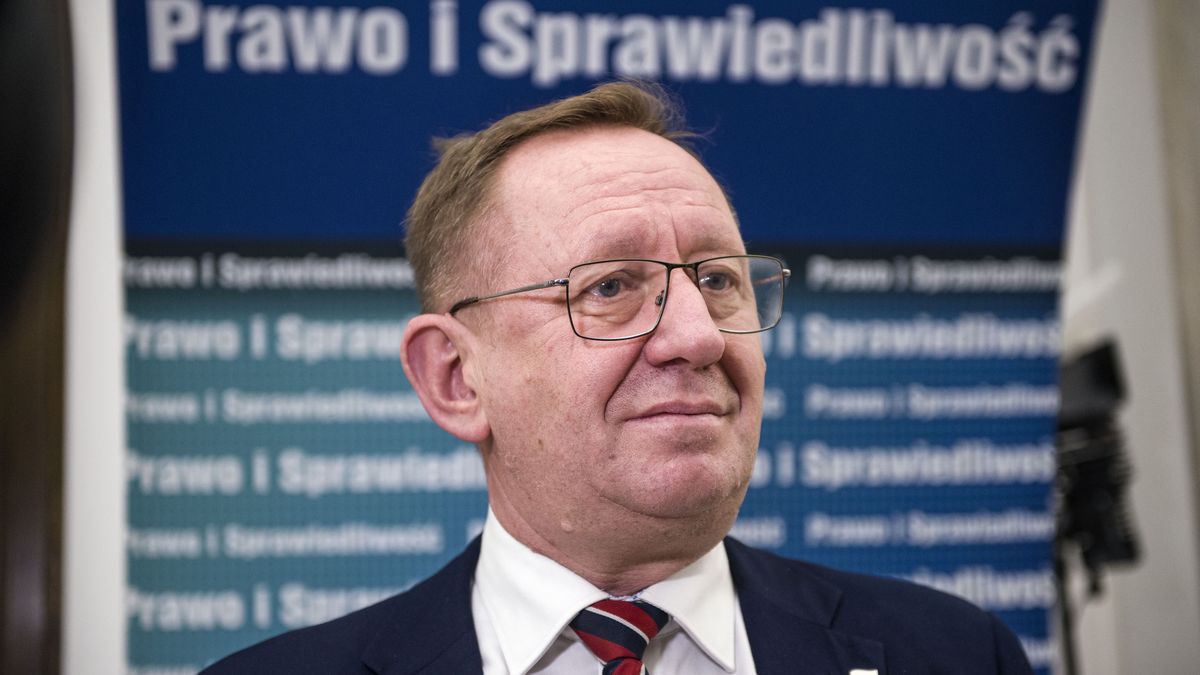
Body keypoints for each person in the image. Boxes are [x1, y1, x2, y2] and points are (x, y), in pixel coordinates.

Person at [203, 82, 1033, 674]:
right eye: (609, 287)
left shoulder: (955, 652)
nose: (698, 336)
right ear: (456, 378)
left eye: (718, 279)